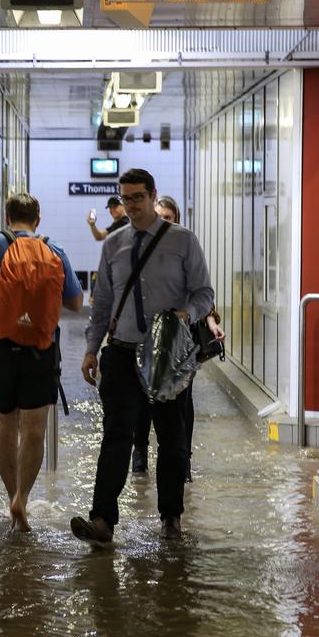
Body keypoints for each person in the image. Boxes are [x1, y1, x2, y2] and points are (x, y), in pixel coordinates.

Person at [71, 168, 224, 544]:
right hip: (122, 352)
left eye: (139, 197)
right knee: (116, 435)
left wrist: (186, 314)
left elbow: (204, 292)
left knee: (170, 438)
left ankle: (171, 518)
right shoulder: (113, 245)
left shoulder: (183, 241)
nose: (132, 204)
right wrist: (91, 350)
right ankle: (103, 520)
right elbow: (102, 302)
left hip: (167, 353)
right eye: (126, 198)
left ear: (153, 196)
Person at [0, 192, 83, 533]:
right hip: (41, 350)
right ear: (37, 219)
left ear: (7, 217)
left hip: (0, 349)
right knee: (34, 431)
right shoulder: (53, 249)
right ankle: (23, 498)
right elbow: (74, 301)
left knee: (5, 429)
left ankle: (10, 493)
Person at [132, 194, 219, 483]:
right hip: (146, 337)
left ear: (176, 220)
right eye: (160, 217)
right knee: (145, 397)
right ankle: (140, 456)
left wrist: (208, 321)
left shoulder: (185, 248)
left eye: (168, 218)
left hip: (181, 336)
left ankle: (182, 461)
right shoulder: (139, 249)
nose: (163, 223)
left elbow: (203, 294)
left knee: (183, 399)